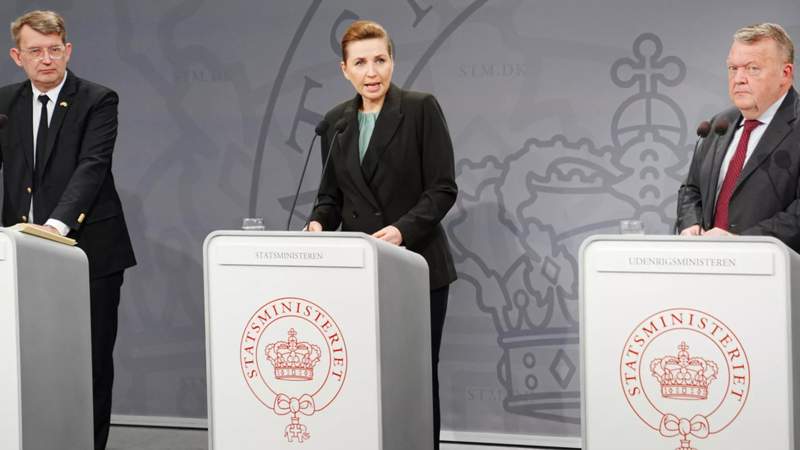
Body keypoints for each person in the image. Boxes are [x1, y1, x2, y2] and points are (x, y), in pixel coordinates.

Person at [306, 20, 457, 450]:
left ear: (392, 61)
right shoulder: (335, 123)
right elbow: (330, 197)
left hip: (416, 265)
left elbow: (442, 189)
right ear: (345, 70)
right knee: (363, 374)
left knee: (415, 374)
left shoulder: (420, 109)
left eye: (380, 60)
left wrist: (401, 231)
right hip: (359, 272)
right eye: (360, 63)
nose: (371, 72)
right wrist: (317, 224)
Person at [0, 10, 136, 449]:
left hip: (88, 249)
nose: (46, 59)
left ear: (68, 50)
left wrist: (54, 229)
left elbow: (92, 167)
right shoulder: (5, 103)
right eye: (35, 51)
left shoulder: (98, 100)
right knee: (29, 360)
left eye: (54, 50)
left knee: (89, 361)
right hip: (19, 254)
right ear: (17, 56)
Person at [677, 23, 800, 251]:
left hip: (774, 267)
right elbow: (691, 189)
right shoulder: (719, 124)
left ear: (785, 74)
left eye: (752, 68)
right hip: (708, 263)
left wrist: (741, 241)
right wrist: (691, 224)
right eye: (733, 68)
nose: (739, 78)